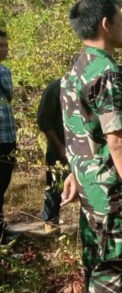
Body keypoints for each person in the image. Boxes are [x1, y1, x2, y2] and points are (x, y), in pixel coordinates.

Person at [60, 0, 122, 293]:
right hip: (112, 197)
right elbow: (115, 139)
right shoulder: (106, 73)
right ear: (106, 24)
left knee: (98, 274)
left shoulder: (76, 69)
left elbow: (79, 130)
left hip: (89, 192)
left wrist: (74, 170)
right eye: (121, 21)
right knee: (117, 285)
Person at [38, 79, 70, 230]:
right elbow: (44, 121)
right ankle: (50, 226)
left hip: (83, 152)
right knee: (55, 187)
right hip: (59, 150)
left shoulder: (86, 85)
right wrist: (60, 146)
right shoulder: (55, 88)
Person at [0, 30, 16, 245]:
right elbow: (9, 95)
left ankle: (2, 229)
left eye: (5, 45)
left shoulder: (4, 69)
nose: (4, 49)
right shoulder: (3, 71)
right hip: (3, 140)